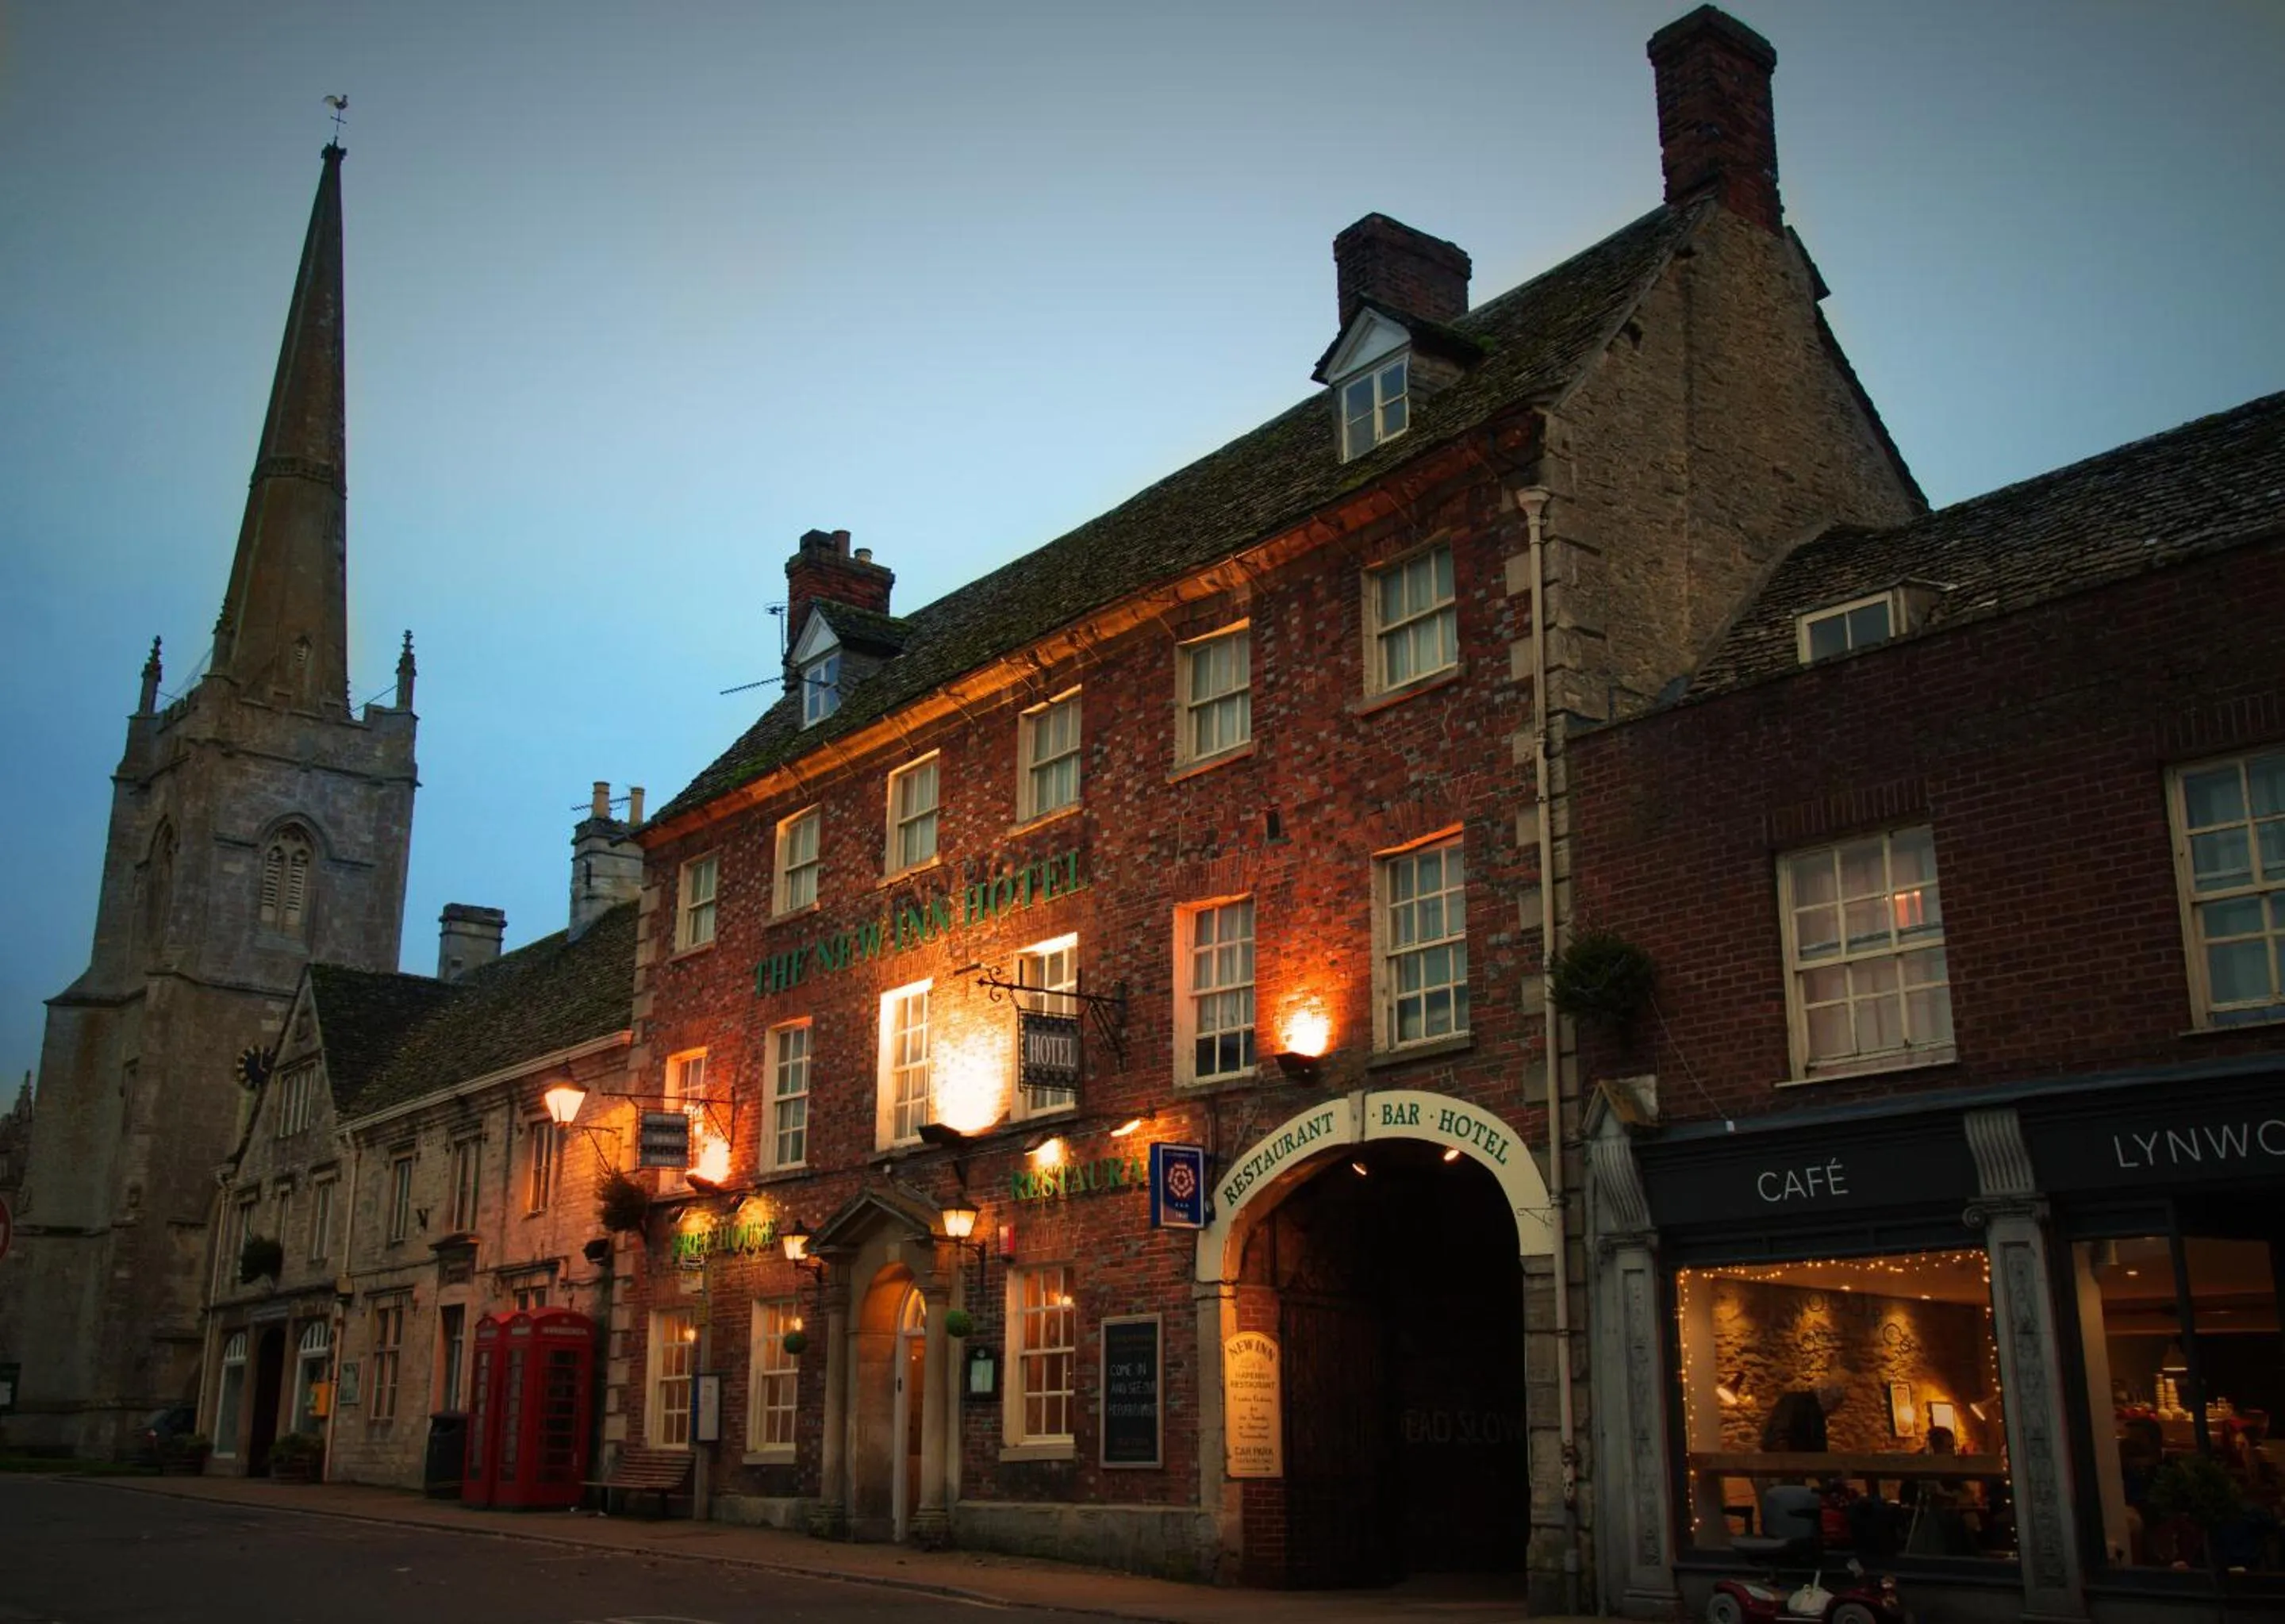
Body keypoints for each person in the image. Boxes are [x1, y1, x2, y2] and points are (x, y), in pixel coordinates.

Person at [1762, 1378, 1849, 1454]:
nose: (1833, 1410)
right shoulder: (1812, 1410)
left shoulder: (1791, 1401)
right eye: (1835, 1404)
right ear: (1828, 1398)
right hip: (1795, 1465)